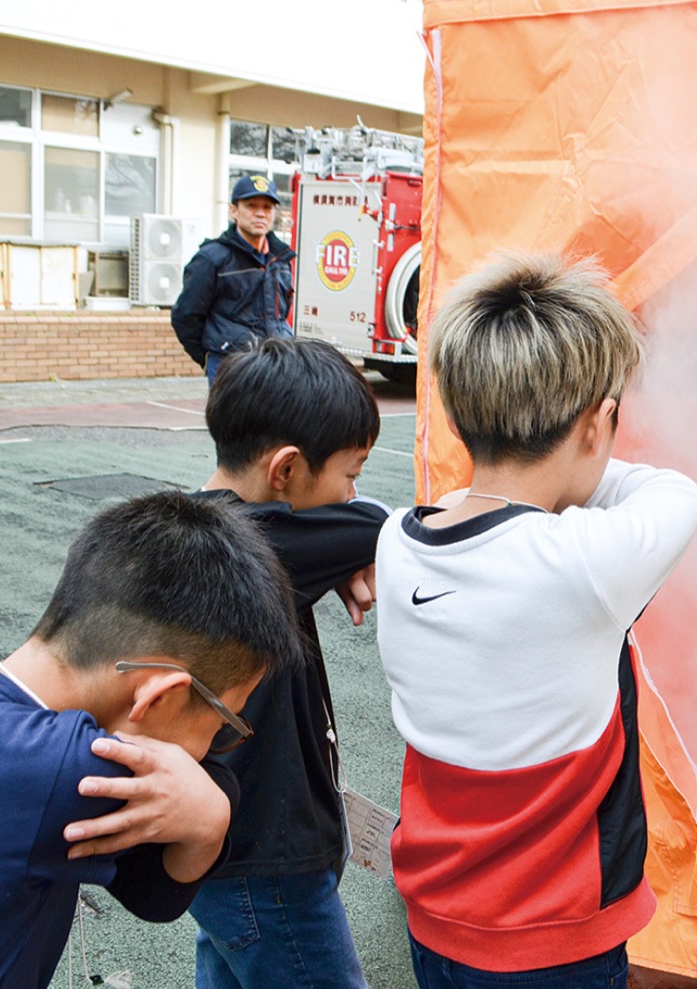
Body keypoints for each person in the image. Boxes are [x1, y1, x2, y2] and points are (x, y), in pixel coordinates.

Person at [374, 252, 697, 989]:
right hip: (553, 941)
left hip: (435, 916)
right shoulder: (582, 562)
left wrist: (537, 442)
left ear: (457, 419)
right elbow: (672, 492)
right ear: (598, 424)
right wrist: (579, 448)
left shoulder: (397, 540)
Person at [0, 491, 305, 989]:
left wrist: (205, 819)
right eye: (223, 724)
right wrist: (214, 812)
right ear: (158, 698)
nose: (213, 750)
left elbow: (150, 890)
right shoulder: (64, 772)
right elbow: (161, 891)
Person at [187, 336, 391, 989]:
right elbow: (390, 524)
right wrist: (350, 551)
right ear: (286, 470)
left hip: (225, 863)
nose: (354, 491)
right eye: (349, 472)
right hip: (268, 866)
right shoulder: (257, 545)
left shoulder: (203, 531)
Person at [172, 174, 296, 384]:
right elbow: (186, 316)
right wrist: (211, 355)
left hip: (277, 365)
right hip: (233, 367)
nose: (260, 214)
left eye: (267, 207)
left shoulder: (281, 258)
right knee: (234, 419)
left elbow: (282, 312)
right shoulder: (212, 258)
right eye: (251, 206)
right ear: (234, 211)